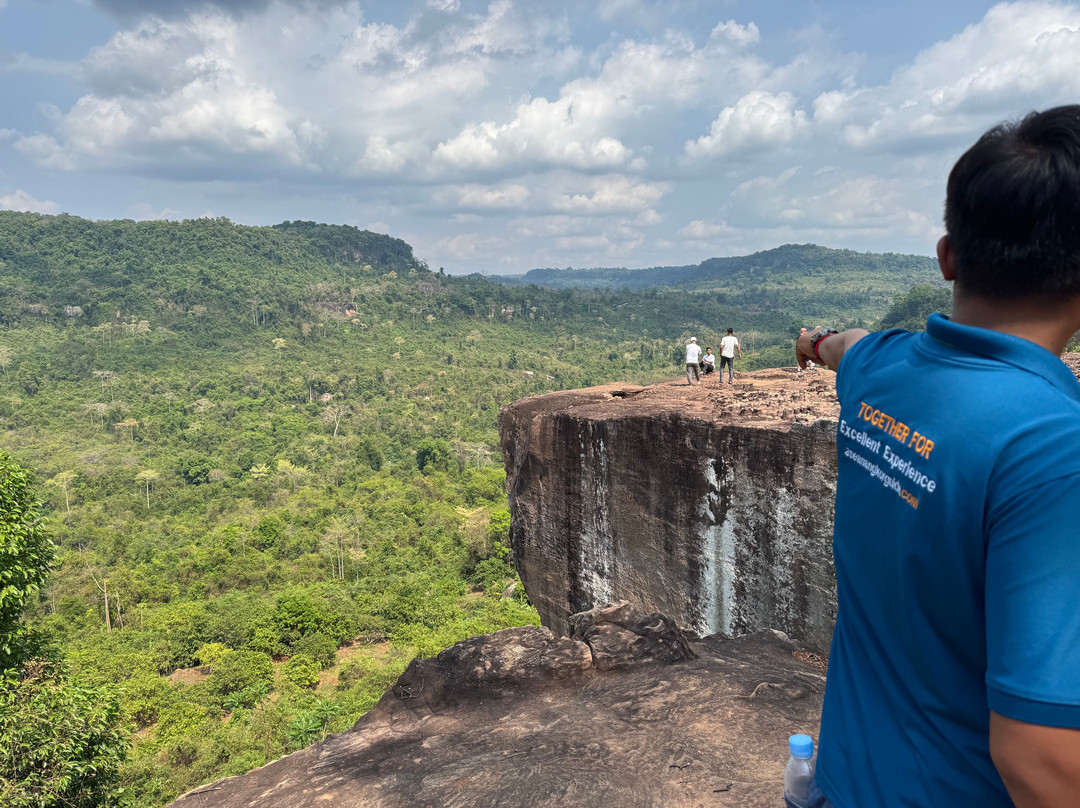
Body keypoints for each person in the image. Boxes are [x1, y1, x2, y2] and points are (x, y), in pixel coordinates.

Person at [795, 106, 1080, 808]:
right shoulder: (1053, 450)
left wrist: (818, 340)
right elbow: (1039, 758)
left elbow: (849, 346)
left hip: (842, 780)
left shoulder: (883, 369)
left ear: (948, 255)